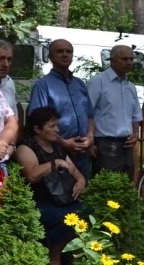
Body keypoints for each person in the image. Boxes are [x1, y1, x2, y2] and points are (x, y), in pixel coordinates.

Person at [15, 107, 85, 265]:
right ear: (37, 129)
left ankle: (78, 258)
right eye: (52, 126)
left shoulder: (58, 147)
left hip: (62, 200)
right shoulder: (26, 147)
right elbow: (31, 175)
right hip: (37, 203)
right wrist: (55, 162)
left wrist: (81, 181)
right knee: (67, 219)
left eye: (57, 125)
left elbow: (75, 172)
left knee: (87, 210)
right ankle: (55, 259)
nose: (57, 130)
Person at [28, 39, 95, 180]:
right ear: (50, 57)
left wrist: (90, 137)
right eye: (59, 51)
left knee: (84, 192)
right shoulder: (43, 85)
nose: (65, 54)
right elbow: (37, 122)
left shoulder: (80, 84)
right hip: (58, 153)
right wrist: (63, 142)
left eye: (68, 51)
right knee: (65, 195)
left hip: (83, 153)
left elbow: (90, 114)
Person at [87, 45, 142, 180]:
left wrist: (135, 134)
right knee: (106, 187)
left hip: (127, 146)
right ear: (112, 61)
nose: (129, 62)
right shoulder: (98, 82)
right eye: (124, 59)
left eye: (131, 59)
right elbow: (87, 113)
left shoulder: (131, 87)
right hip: (105, 145)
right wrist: (90, 142)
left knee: (125, 187)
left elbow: (136, 116)